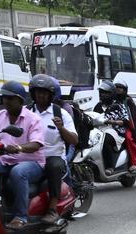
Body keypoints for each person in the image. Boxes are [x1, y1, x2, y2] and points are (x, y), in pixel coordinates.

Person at [0, 80, 46, 230]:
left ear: (20, 100)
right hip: (5, 160)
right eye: (4, 98)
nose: (5, 101)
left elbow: (36, 144)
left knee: (18, 172)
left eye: (10, 98)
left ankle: (21, 216)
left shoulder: (33, 119)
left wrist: (18, 148)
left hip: (32, 162)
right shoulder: (0, 116)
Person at [29, 74, 77, 224]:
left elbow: (74, 140)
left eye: (44, 92)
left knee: (54, 166)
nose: (41, 95)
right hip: (30, 156)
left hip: (53, 156)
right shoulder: (26, 112)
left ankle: (52, 209)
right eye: (38, 92)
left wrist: (61, 128)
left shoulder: (60, 114)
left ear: (51, 95)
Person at [94, 79, 136, 173]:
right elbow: (94, 117)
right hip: (101, 130)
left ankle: (110, 166)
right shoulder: (98, 106)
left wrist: (112, 122)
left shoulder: (119, 105)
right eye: (101, 92)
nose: (103, 95)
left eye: (106, 93)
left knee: (108, 139)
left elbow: (127, 120)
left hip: (117, 131)